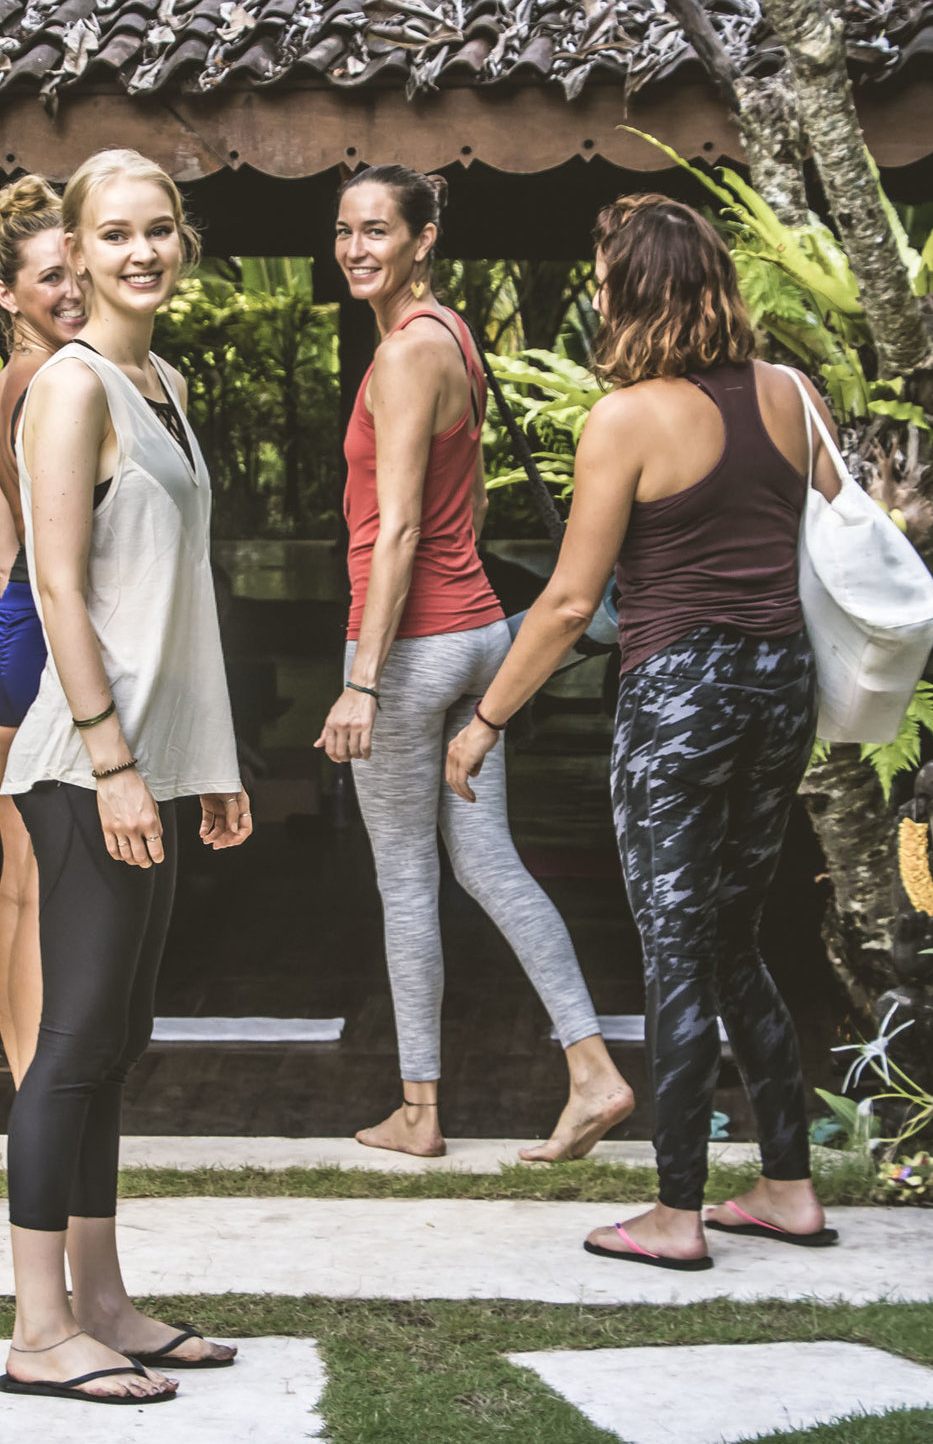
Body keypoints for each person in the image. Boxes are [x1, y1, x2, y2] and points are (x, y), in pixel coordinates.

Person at [444, 193, 845, 1272]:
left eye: (603, 275)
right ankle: (788, 1187)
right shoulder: (793, 396)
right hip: (777, 688)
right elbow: (841, 534)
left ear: (631, 290)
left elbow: (573, 602)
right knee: (734, 937)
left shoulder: (626, 416)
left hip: (679, 695)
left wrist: (484, 720)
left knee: (674, 950)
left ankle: (675, 1211)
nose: (595, 290)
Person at [0, 148, 254, 1404]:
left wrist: (206, 761)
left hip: (150, 760)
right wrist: (111, 761)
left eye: (158, 229)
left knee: (119, 1037)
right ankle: (38, 1329)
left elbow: (173, 595)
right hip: (82, 763)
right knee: (72, 1042)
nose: (141, 251)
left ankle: (102, 1300)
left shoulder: (166, 380)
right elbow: (57, 583)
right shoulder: (69, 386)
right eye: (114, 234)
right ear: (78, 252)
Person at [316, 166, 635, 1162]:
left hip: (410, 647)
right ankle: (591, 1068)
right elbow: (473, 505)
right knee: (488, 860)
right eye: (344, 231)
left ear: (422, 239)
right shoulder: (453, 336)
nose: (357, 247)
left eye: (377, 230)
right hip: (478, 634)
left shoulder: (407, 355)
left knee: (407, 881)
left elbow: (401, 524)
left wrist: (363, 677)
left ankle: (418, 1110)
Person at [0, 175, 87, 1084]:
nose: (73, 290)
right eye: (51, 276)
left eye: (79, 270)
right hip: (45, 639)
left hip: (8, 636)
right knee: (47, 886)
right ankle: (44, 1090)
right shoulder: (57, 383)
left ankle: (20, 1082)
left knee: (19, 881)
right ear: (7, 293)